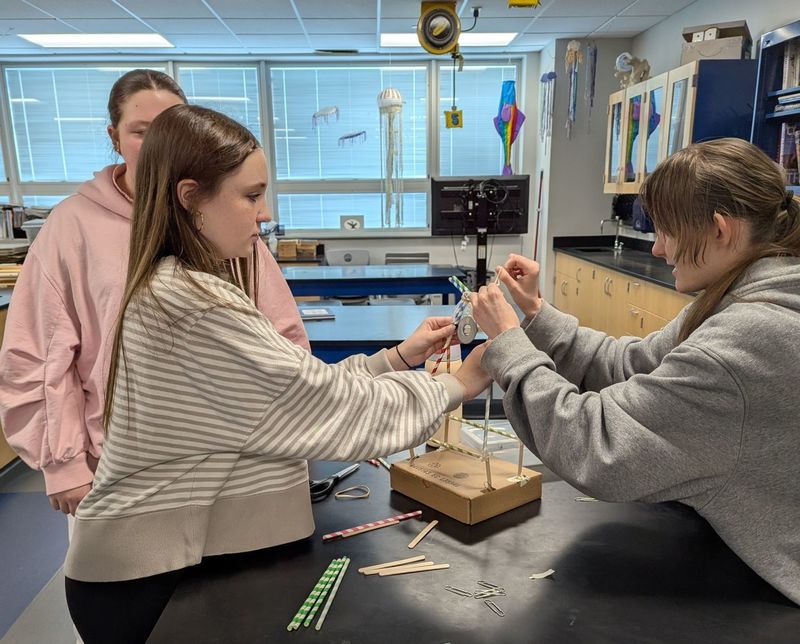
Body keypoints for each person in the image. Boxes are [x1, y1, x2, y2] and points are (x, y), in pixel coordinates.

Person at [63, 104, 465, 643]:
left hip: (171, 563)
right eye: (251, 196)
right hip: (148, 582)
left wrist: (396, 358)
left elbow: (291, 391)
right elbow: (333, 410)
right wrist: (463, 380)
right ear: (190, 198)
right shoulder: (192, 304)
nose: (265, 212)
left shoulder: (184, 285)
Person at [460, 138, 800, 605]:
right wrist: (535, 314)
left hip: (766, 591)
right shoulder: (738, 295)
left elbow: (600, 443)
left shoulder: (751, 335)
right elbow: (632, 365)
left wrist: (509, 348)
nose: (658, 250)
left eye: (666, 232)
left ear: (720, 229)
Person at [0, 69, 309, 516]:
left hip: (232, 459)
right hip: (123, 468)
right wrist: (64, 465)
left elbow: (280, 335)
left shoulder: (219, 217)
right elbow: (40, 352)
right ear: (114, 136)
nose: (161, 146)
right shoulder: (73, 226)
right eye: (142, 132)